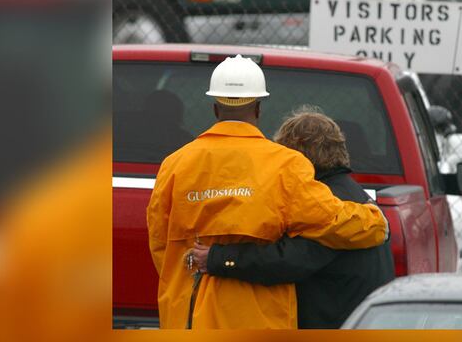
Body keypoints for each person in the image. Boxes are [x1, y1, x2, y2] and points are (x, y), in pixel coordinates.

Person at [147, 55, 388, 329]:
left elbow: (160, 243)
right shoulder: (285, 165)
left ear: (215, 109)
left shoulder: (174, 165)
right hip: (259, 319)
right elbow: (330, 221)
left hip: (187, 317)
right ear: (258, 109)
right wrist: (374, 222)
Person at [191, 108, 395, 328]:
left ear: (294, 158)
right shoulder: (354, 194)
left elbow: (286, 261)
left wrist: (218, 258)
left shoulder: (325, 201)